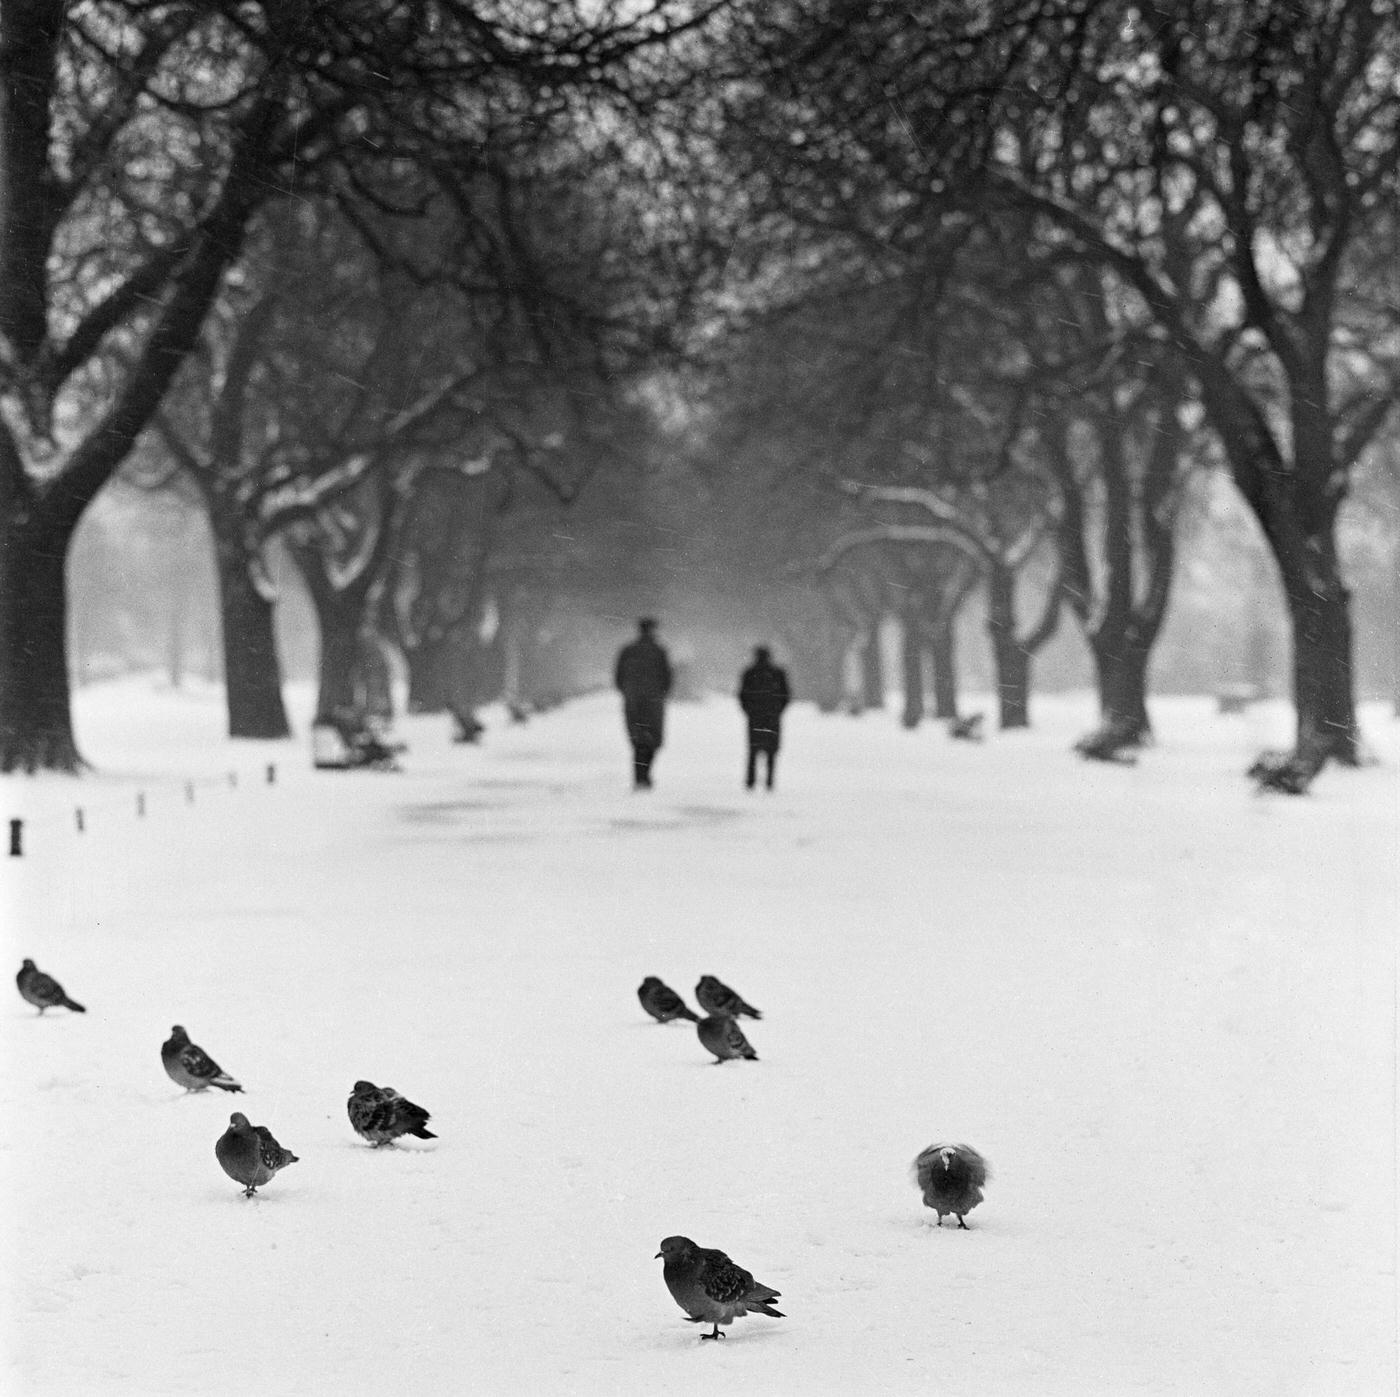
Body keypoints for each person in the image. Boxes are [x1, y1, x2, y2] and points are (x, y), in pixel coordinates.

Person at [614, 618, 673, 789]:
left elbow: (618, 677)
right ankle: (644, 775)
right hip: (653, 702)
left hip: (634, 701)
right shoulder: (659, 651)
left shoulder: (628, 651)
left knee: (638, 739)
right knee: (652, 739)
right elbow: (667, 678)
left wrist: (628, 692)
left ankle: (640, 776)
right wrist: (660, 693)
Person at [738, 645, 791, 790]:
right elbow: (786, 695)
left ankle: (751, 781)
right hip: (772, 717)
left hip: (755, 717)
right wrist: (777, 710)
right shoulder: (777, 673)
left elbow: (742, 695)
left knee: (753, 751)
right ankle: (769, 781)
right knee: (771, 751)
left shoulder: (750, 673)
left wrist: (749, 710)